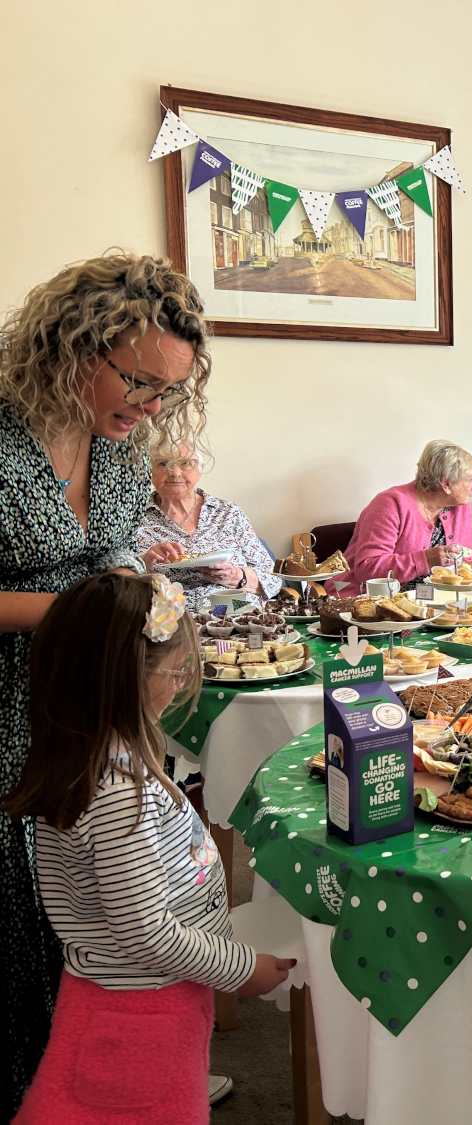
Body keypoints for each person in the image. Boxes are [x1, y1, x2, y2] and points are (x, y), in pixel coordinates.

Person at [0, 252, 210, 1115]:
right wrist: (65, 611)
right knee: (16, 921)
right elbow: (71, 593)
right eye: (138, 381)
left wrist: (140, 592)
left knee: (91, 907)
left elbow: (113, 551)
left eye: (169, 392)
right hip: (11, 713)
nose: (150, 406)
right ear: (74, 346)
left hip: (87, 710)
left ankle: (98, 1078)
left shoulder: (118, 452)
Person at [6, 573, 292, 1123]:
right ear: (120, 679)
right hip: (139, 1008)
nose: (184, 683)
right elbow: (147, 932)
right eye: (176, 670)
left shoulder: (100, 759)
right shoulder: (115, 793)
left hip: (144, 994)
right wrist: (240, 968)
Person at [136, 437, 282, 614]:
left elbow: (274, 579)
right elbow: (112, 585)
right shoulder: (134, 519)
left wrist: (238, 577)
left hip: (235, 615)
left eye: (185, 463)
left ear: (199, 469)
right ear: (149, 470)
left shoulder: (228, 513)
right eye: (162, 464)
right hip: (166, 621)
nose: (174, 472)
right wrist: (144, 563)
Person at [339, 439, 472, 590]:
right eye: (470, 480)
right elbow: (368, 569)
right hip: (375, 599)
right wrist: (424, 560)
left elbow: (467, 558)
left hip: (439, 601)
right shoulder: (390, 504)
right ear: (446, 484)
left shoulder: (459, 506)